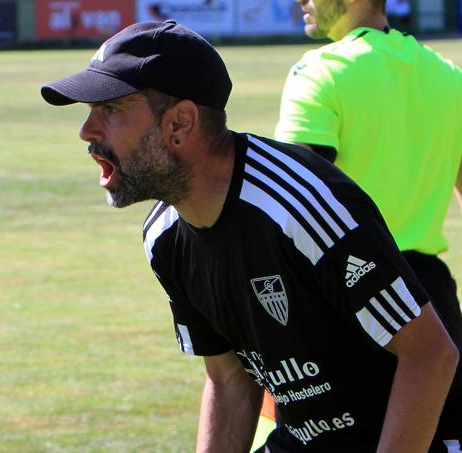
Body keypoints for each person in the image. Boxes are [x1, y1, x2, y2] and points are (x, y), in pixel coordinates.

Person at [40, 20, 461, 452]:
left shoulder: (299, 205)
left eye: (110, 111)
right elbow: (227, 378)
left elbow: (430, 355)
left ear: (180, 124)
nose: (87, 132)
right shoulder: (164, 237)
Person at [274, 0, 462, 351]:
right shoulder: (449, 75)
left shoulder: (321, 71)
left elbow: (287, 200)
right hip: (434, 302)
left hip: (344, 295)